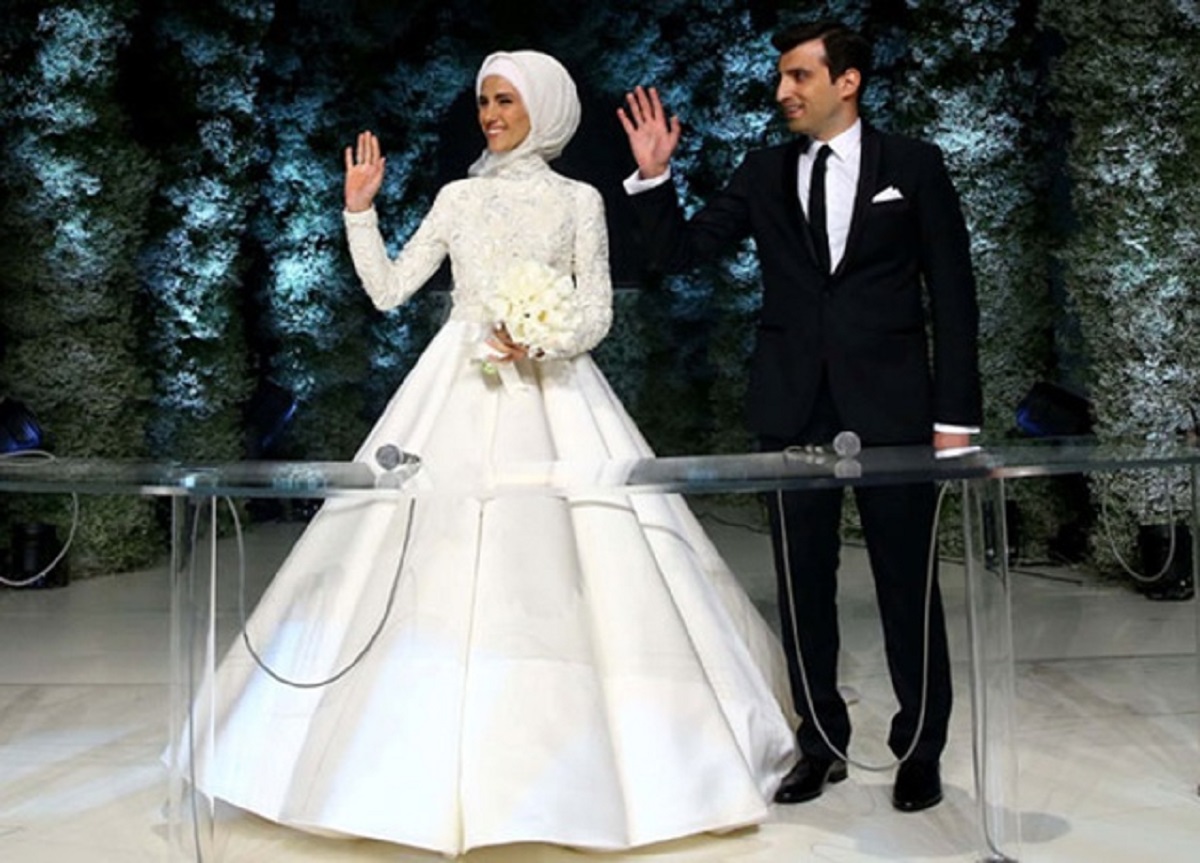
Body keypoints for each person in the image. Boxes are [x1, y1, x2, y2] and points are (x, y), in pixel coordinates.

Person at [189, 50, 796, 856]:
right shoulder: (459, 197)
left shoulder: (580, 200)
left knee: (585, 562)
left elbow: (596, 312)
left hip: (554, 393)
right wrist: (360, 213)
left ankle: (610, 765)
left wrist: (542, 337)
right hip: (455, 385)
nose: (491, 115)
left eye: (506, 100)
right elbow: (390, 290)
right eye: (485, 102)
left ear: (542, 107)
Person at [618, 20, 982, 813]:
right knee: (802, 585)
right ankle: (821, 742)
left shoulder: (914, 166)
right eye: (781, 78)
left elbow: (954, 294)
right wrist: (653, 178)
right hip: (793, 409)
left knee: (907, 584)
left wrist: (956, 417)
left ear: (847, 81)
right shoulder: (763, 171)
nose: (783, 91)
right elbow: (679, 255)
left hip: (895, 411)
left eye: (799, 76)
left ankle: (921, 748)